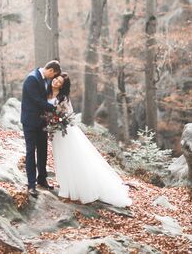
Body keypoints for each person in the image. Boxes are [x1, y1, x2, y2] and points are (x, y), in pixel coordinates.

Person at [48, 73, 132, 207]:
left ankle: (77, 190)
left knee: (71, 158)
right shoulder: (47, 92)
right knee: (61, 158)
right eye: (56, 79)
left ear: (63, 86)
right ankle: (66, 187)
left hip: (66, 131)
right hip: (55, 132)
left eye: (60, 81)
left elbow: (69, 115)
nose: (57, 81)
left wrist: (59, 120)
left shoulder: (63, 97)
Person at [21, 60, 61, 197]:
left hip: (42, 122)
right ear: (50, 70)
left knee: (43, 151)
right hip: (30, 122)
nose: (52, 78)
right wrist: (55, 109)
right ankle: (31, 185)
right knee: (31, 152)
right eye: (53, 75)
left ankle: (42, 179)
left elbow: (48, 96)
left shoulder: (46, 80)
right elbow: (38, 101)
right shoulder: (32, 79)